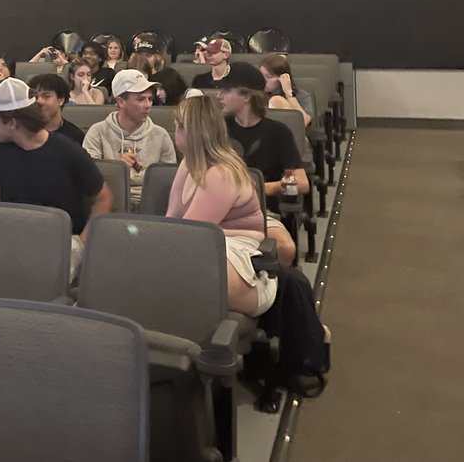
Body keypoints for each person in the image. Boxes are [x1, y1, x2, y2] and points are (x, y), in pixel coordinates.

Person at [0, 77, 111, 279]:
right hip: (13, 242)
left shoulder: (67, 150)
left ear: (12, 123)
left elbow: (104, 198)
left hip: (59, 243)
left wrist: (80, 245)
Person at [166, 93, 275, 316]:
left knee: (178, 265)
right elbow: (172, 219)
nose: (174, 131)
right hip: (215, 247)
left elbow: (189, 234)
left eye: (178, 126)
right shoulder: (189, 162)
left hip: (244, 267)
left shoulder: (220, 174)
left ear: (189, 130)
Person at [219, 62, 309, 210]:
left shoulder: (278, 132)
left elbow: (301, 183)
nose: (219, 96)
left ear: (246, 96)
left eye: (227, 90)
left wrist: (262, 188)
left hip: (263, 209)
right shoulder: (219, 128)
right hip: (221, 205)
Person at [82, 69, 177, 208]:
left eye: (150, 99)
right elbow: (89, 179)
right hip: (111, 202)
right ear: (121, 102)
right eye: (141, 99)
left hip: (151, 204)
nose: (148, 105)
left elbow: (168, 182)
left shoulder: (161, 135)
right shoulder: (97, 132)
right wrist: (116, 170)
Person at [27, 73, 86, 142]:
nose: (39, 101)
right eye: (34, 97)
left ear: (61, 100)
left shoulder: (75, 136)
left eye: (46, 96)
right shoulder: (23, 133)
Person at [260, 54, 313, 128]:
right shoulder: (256, 95)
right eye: (261, 75)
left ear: (283, 78)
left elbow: (303, 122)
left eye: (269, 77)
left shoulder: (302, 96)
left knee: (276, 100)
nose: (263, 80)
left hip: (293, 133)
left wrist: (289, 94)